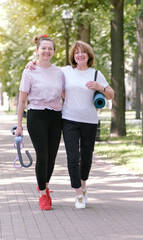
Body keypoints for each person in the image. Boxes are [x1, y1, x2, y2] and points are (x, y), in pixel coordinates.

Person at [26, 40, 114, 209]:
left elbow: (111, 95)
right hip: (69, 119)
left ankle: (83, 184)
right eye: (76, 52)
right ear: (73, 56)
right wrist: (32, 63)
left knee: (86, 156)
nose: (79, 55)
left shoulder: (96, 74)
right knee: (72, 157)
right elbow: (46, 68)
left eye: (83, 52)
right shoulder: (65, 71)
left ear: (89, 55)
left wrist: (99, 87)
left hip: (90, 120)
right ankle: (78, 194)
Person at [16, 34, 65, 211]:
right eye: (43, 48)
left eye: (50, 48)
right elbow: (22, 100)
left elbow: (67, 94)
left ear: (53, 52)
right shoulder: (29, 71)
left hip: (55, 117)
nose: (46, 51)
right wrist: (19, 125)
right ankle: (43, 194)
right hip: (36, 116)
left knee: (52, 157)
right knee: (42, 155)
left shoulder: (60, 72)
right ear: (37, 50)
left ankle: (44, 184)